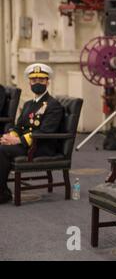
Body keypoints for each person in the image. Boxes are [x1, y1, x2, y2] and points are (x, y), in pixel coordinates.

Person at [0, 64, 64, 204]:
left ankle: (2, 193)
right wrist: (10, 136)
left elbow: (45, 131)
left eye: (41, 80)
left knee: (2, 150)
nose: (37, 83)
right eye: (34, 80)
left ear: (47, 81)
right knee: (2, 143)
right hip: (25, 144)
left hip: (40, 147)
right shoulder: (29, 103)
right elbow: (18, 126)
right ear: (29, 82)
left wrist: (17, 141)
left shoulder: (53, 105)